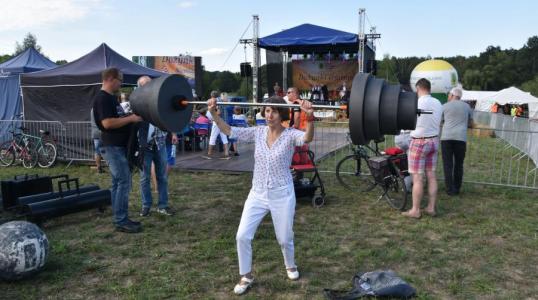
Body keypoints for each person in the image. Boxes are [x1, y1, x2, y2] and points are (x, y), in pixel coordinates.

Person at [207, 96, 314, 295]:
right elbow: (230, 131)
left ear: (281, 114)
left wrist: (310, 118)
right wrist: (214, 114)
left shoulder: (291, 135)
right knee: (242, 236)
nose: (269, 114)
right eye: (266, 110)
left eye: (273, 111)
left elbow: (307, 138)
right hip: (257, 193)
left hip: (282, 193)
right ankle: (246, 275)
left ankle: (290, 265)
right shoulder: (258, 132)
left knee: (284, 238)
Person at [92, 68, 143, 233]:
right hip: (112, 147)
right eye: (120, 80)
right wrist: (131, 118)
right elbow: (107, 123)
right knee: (124, 181)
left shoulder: (111, 99)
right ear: (111, 78)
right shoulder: (102, 99)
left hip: (116, 146)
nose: (121, 84)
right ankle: (121, 221)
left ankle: (120, 217)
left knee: (117, 183)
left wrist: (128, 118)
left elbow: (116, 119)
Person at [402, 78, 443, 219]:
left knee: (418, 178)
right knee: (431, 176)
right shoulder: (438, 103)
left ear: (418, 88)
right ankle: (431, 208)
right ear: (429, 88)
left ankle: (415, 210)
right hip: (434, 140)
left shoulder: (417, 102)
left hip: (419, 141)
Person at [136, 76, 174, 217]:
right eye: (145, 84)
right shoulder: (136, 103)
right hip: (144, 146)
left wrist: (173, 132)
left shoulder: (160, 100)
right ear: (140, 87)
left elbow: (170, 116)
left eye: (149, 84)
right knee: (144, 177)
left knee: (162, 176)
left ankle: (162, 206)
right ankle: (146, 205)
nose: (148, 86)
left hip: (160, 143)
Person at [440, 87, 474, 196]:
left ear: (451, 95)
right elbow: (471, 123)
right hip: (461, 138)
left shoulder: (444, 106)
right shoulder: (467, 107)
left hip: (446, 138)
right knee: (459, 164)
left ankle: (449, 189)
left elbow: (440, 121)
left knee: (447, 164)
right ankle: (457, 188)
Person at [205, 90, 231, 159]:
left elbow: (218, 112)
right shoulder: (222, 101)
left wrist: (213, 116)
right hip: (224, 121)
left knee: (212, 137)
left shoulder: (215, 101)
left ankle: (209, 154)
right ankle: (226, 153)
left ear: (212, 96)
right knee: (224, 137)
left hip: (217, 122)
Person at [90, 108, 104, 173]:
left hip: (95, 133)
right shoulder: (100, 109)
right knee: (108, 150)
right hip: (101, 132)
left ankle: (99, 168)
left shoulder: (92, 110)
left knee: (97, 151)